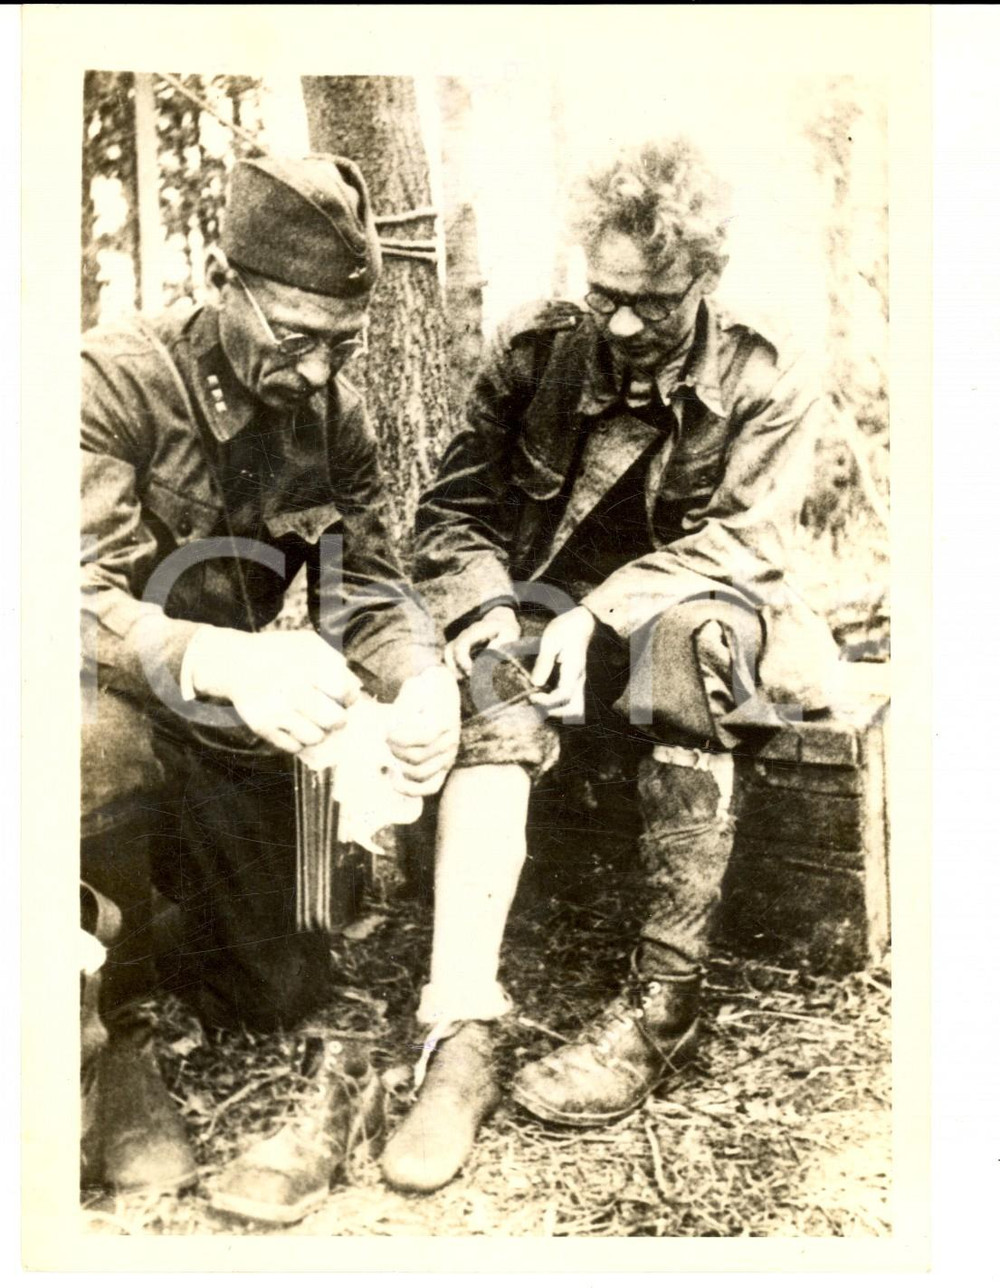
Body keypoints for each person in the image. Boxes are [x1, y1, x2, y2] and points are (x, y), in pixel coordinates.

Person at [379, 136, 838, 1193]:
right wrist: (488, 612)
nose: (623, 323)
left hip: (695, 614)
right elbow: (450, 515)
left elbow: (747, 543)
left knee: (690, 647)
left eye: (654, 301)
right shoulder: (539, 351)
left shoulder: (765, 373)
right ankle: (461, 1028)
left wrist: (603, 608)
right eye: (605, 295)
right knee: (486, 676)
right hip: (546, 625)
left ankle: (660, 1004)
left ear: (706, 282)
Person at [81, 153, 460, 1206]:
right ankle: (118, 1039)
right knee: (89, 742)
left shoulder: (331, 417)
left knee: (277, 986)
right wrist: (218, 654)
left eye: (344, 343)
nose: (318, 368)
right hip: (106, 702)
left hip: (216, 726)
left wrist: (420, 674)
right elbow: (59, 601)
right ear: (221, 277)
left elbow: (368, 581)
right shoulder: (112, 379)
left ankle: (137, 922)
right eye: (296, 334)